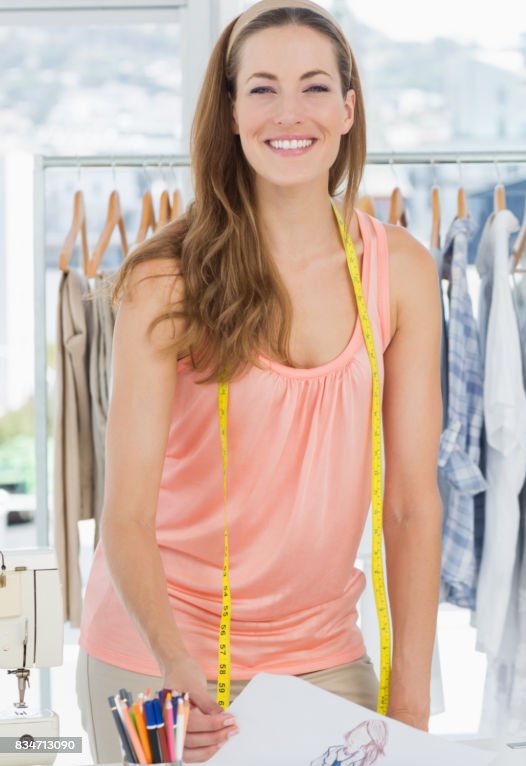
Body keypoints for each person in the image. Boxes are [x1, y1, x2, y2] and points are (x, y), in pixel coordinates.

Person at [74, 1, 443, 762]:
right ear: (232, 114)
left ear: (348, 109)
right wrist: (177, 666)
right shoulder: (165, 282)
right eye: (262, 88)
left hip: (323, 658)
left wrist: (409, 692)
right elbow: (128, 517)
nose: (289, 112)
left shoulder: (399, 272)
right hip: (157, 656)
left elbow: (410, 503)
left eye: (313, 87)